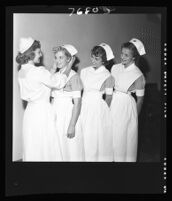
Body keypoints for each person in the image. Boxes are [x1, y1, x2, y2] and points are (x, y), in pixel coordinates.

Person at [16, 37, 74, 161]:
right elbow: (58, 82)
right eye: (38, 52)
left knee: (34, 146)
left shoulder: (21, 72)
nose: (41, 55)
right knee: (47, 147)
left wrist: (53, 69)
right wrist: (68, 67)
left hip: (30, 113)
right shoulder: (39, 71)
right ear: (30, 54)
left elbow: (44, 81)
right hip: (42, 112)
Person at [110, 38, 146, 162]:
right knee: (110, 138)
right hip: (113, 103)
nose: (122, 57)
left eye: (126, 55)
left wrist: (134, 118)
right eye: (122, 53)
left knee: (122, 141)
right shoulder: (115, 67)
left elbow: (140, 100)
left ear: (134, 57)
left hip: (126, 108)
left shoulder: (138, 75)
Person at [79, 43, 115, 161]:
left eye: (97, 58)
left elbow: (108, 97)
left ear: (104, 60)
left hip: (97, 109)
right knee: (83, 136)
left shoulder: (108, 75)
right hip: (84, 105)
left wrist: (103, 113)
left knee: (94, 138)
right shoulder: (84, 71)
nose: (93, 60)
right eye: (92, 57)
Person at [51, 44, 84, 161]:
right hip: (55, 112)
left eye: (61, 57)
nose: (57, 60)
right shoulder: (56, 75)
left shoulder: (74, 76)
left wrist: (72, 125)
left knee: (69, 148)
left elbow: (77, 103)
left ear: (69, 59)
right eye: (56, 57)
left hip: (67, 114)